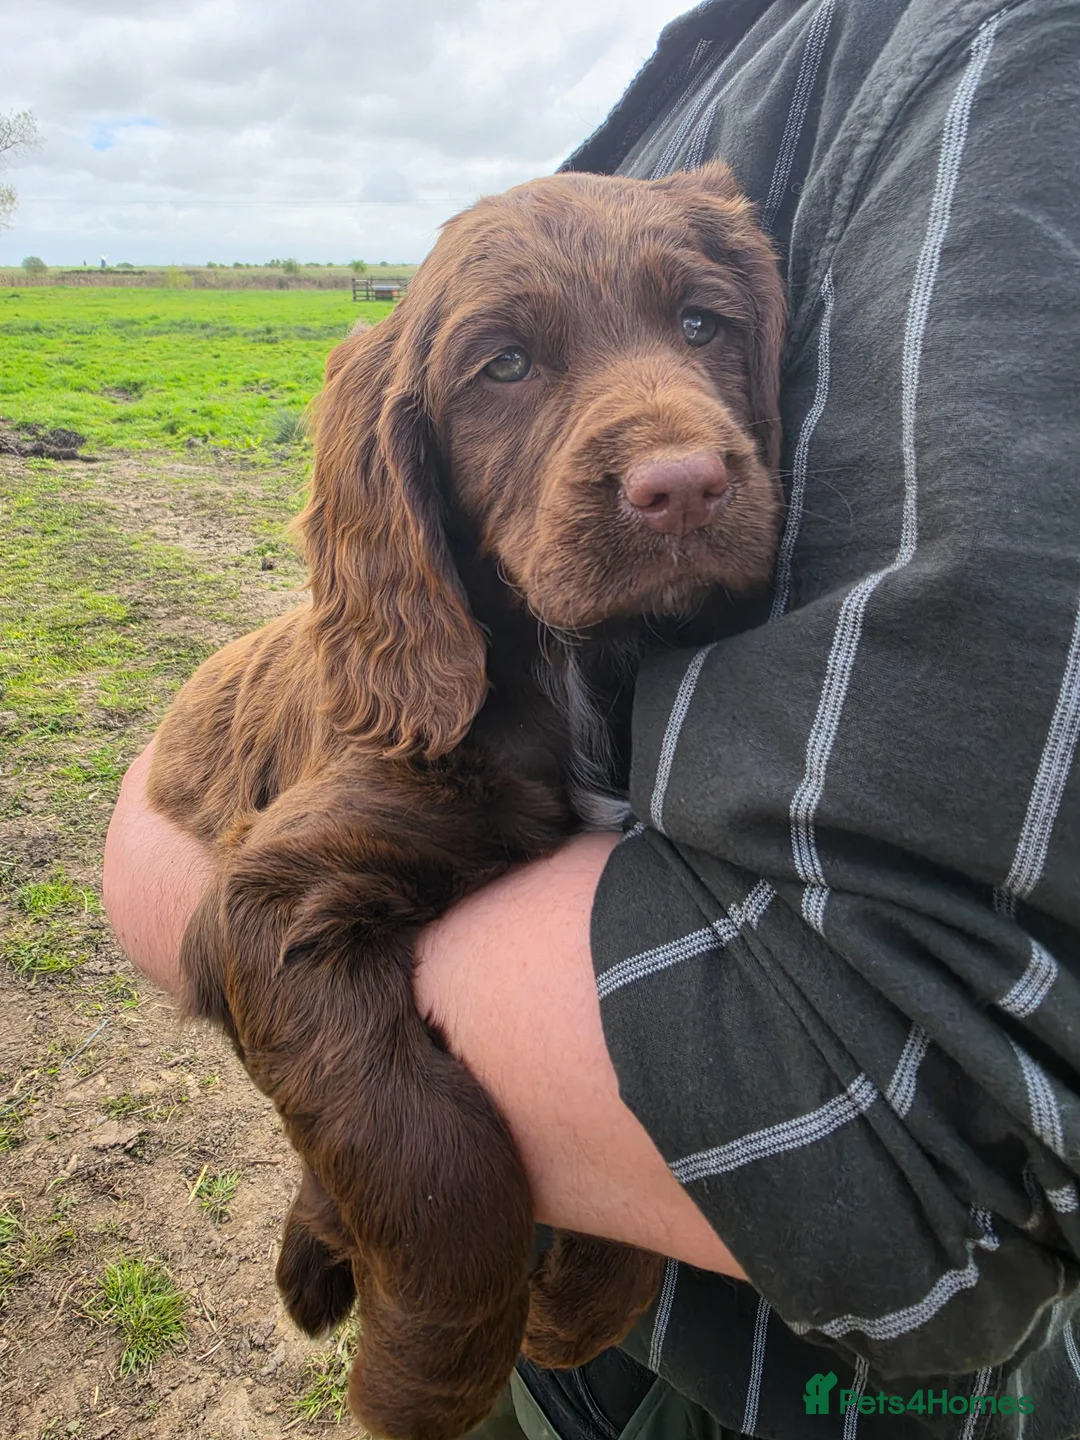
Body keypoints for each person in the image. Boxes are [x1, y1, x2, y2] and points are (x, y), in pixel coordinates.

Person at [103, 1, 1080, 1436]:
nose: (676, 450)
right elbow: (274, 927)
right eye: (506, 365)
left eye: (701, 324)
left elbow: (921, 1126)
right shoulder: (426, 719)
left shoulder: (983, 55)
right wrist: (442, 1328)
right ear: (410, 465)